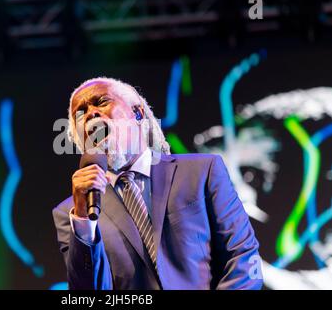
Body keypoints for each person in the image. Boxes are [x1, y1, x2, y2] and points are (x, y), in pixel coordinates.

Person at [52, 77, 263, 289]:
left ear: (138, 113)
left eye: (101, 102)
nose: (91, 114)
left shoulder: (201, 171)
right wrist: (83, 218)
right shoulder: (70, 214)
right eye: (80, 114)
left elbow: (242, 255)